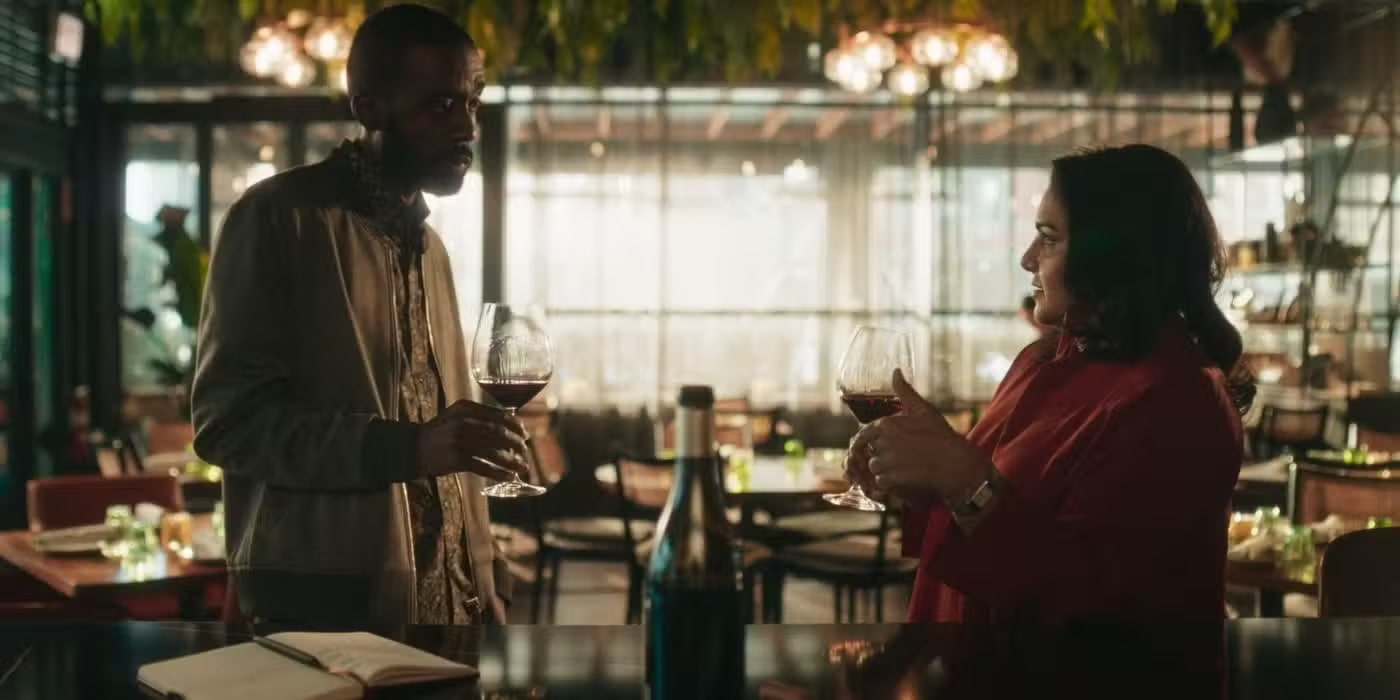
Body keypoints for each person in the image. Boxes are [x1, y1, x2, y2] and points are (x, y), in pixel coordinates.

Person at [191, 4, 530, 629]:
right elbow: (229, 425)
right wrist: (407, 447)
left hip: (453, 614)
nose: (467, 128)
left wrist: (489, 580)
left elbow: (448, 450)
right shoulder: (278, 219)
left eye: (473, 103)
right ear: (369, 108)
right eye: (441, 105)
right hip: (329, 615)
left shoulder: (431, 248)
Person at [846, 144, 1253, 623]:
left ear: (1117, 254)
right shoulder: (1042, 360)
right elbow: (997, 510)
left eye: (1049, 238)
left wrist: (961, 479)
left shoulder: (1180, 400)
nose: (1026, 258)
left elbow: (1083, 587)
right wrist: (919, 476)